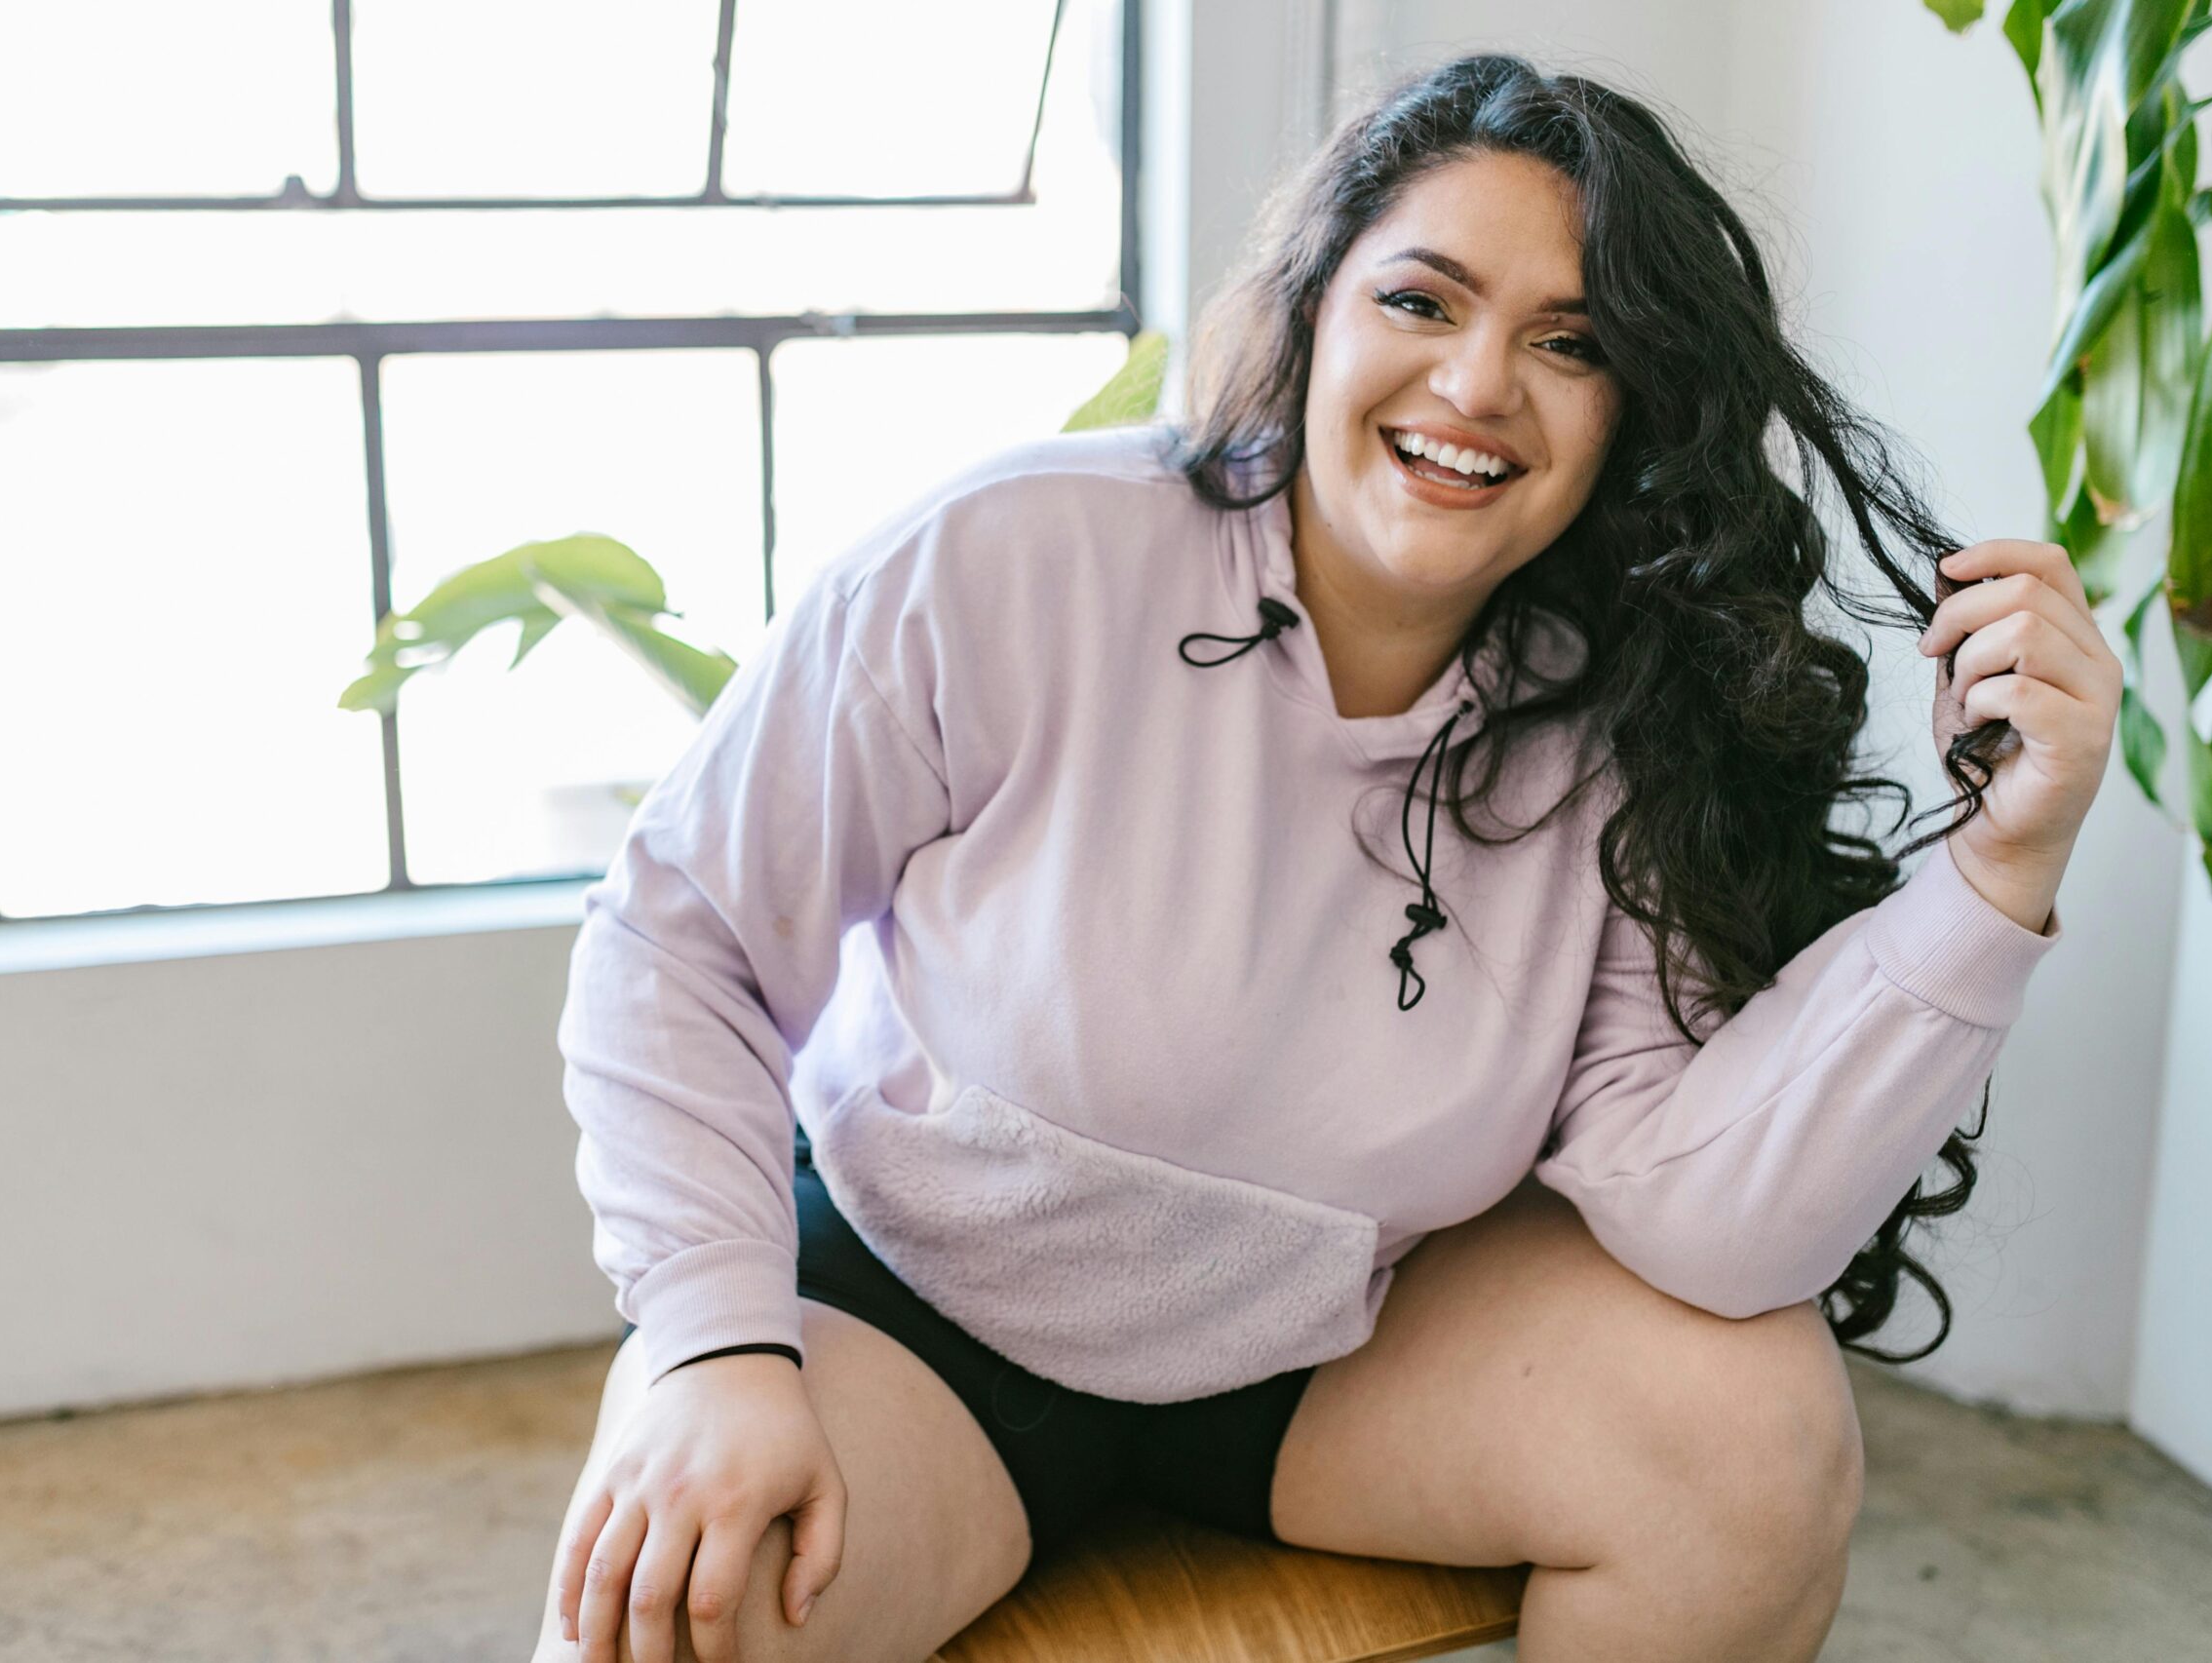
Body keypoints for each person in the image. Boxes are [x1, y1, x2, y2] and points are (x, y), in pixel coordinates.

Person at [531, 52, 2109, 1663]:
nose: (1481, 385)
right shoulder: (1012, 558)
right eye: (1423, 301)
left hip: (1334, 1352)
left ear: (1629, 411)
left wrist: (2000, 872)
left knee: (1757, 1436)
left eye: (1568, 343)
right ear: (1313, 312)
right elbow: (682, 940)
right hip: (921, 1310)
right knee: (672, 1615)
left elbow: (1702, 1216)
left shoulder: (1628, 719)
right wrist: (716, 1350)